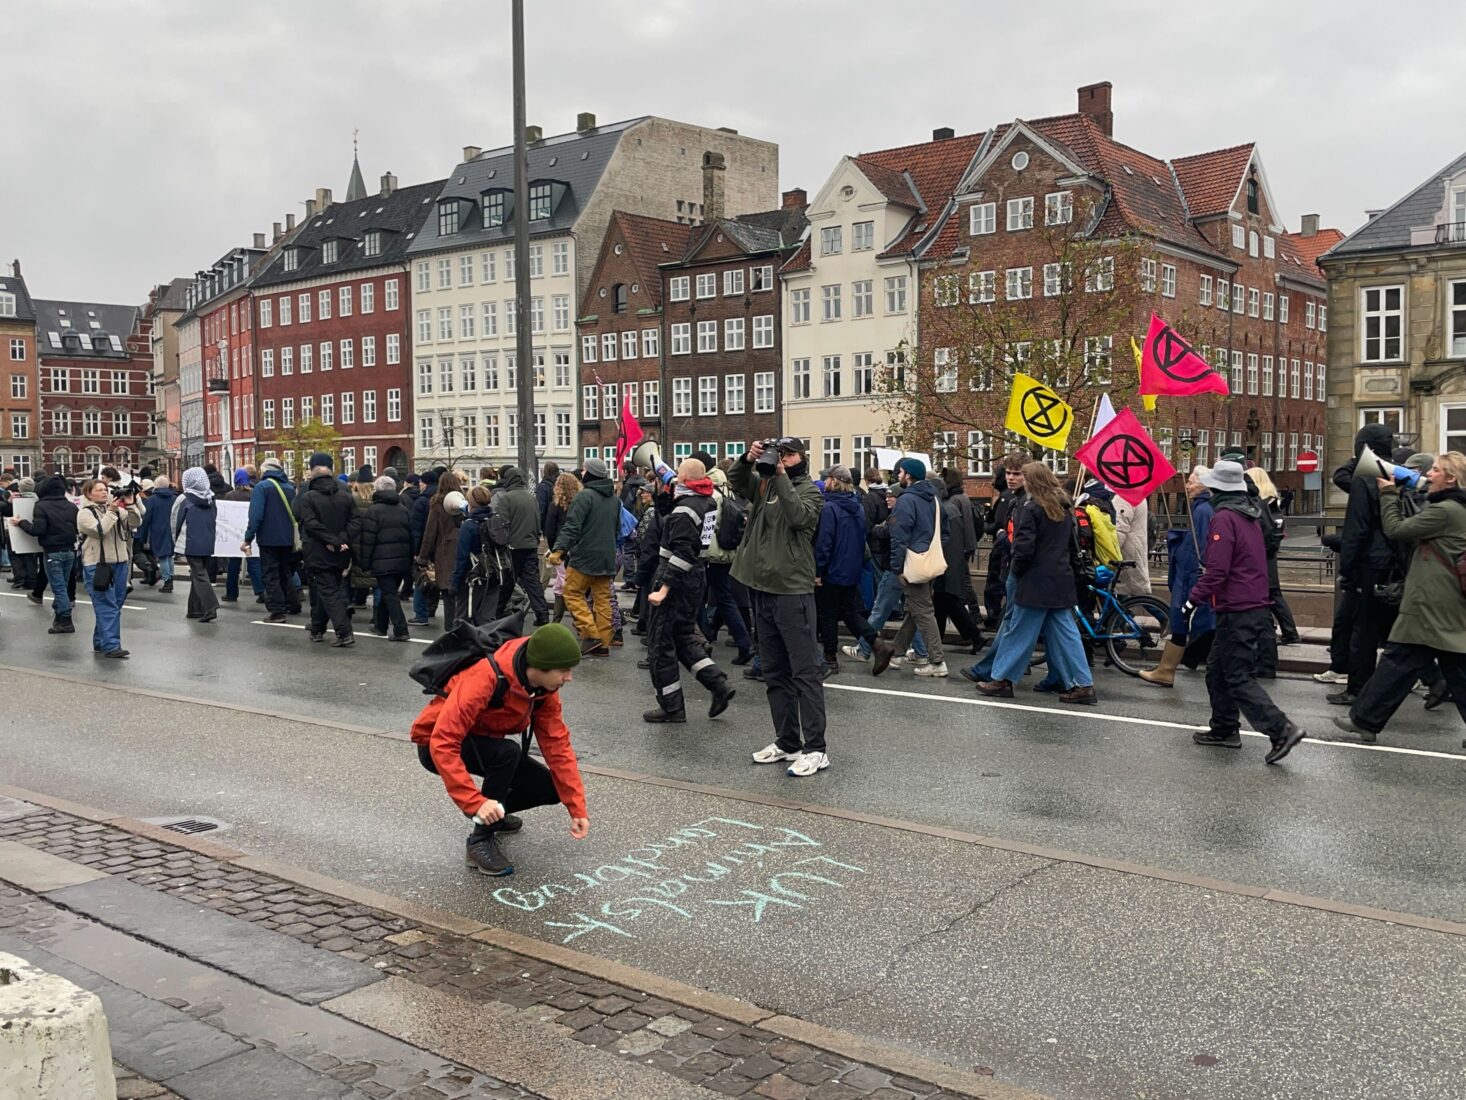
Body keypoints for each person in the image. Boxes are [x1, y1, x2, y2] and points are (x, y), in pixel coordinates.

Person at [411, 621, 589, 876]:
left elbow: (557, 745)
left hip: (483, 742)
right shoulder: (485, 677)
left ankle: (495, 813)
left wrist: (576, 808)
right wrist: (473, 803)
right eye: (563, 670)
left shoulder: (544, 689)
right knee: (507, 753)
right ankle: (480, 841)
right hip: (434, 745)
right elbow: (444, 740)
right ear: (537, 666)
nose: (569, 677)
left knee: (549, 789)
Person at [1333, 453, 1466, 742]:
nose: (1429, 474)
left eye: (1436, 470)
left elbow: (1396, 529)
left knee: (1398, 660)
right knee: (1451, 665)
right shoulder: (1451, 507)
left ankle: (1365, 720)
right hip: (1440, 600)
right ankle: (1365, 720)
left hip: (1431, 600)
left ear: (1451, 478)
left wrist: (1389, 493)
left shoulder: (1446, 510)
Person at [1186, 460, 1305, 762]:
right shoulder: (1250, 513)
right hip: (1250, 602)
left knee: (1237, 675)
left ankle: (1281, 729)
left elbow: (1217, 570)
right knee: (1217, 671)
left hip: (1236, 607)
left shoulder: (1224, 517)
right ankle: (1224, 728)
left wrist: (1193, 600)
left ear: (1217, 488)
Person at [729, 437, 829, 776]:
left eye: (788, 453)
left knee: (805, 672)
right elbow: (736, 481)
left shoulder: (811, 490)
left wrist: (782, 475)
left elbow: (800, 518)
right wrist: (748, 458)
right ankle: (788, 741)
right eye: (779, 452)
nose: (781, 458)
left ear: (801, 457)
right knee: (774, 671)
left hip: (792, 590)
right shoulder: (764, 482)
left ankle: (816, 748)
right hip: (762, 588)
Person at [973, 463, 1096, 704]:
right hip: (1060, 578)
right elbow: (1072, 546)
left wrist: (1016, 572)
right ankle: (1083, 684)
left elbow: (1024, 548)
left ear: (1032, 482)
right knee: (1067, 633)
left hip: (1035, 581)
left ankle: (1002, 679)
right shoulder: (1064, 506)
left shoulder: (1031, 508)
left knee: (1018, 631)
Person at [640, 459, 736, 722]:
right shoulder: (705, 501)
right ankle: (718, 685)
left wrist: (664, 588)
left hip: (676, 577)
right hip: (696, 579)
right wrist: (666, 494)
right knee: (683, 638)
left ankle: (672, 707)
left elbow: (682, 552)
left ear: (683, 479)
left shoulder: (685, 509)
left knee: (661, 646)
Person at [1332, 423, 1404, 706]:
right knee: (1394, 627)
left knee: (1363, 630)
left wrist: (1347, 569)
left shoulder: (1366, 476)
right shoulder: (1400, 474)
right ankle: (1435, 678)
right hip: (1395, 560)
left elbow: (1357, 529)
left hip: (1369, 563)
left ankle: (1358, 688)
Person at [813, 466, 894, 676]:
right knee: (850, 612)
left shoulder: (830, 508)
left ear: (834, 481)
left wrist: (818, 570)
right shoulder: (857, 506)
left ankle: (830, 659)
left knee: (828, 614)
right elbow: (862, 537)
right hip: (851, 568)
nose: (826, 482)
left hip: (832, 569)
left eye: (828, 478)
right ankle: (877, 644)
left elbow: (825, 543)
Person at [1140, 467, 1216, 687]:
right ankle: (1168, 669)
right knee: (1188, 622)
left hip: (1191, 574)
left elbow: (1201, 547)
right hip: (1191, 573)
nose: (1187, 485)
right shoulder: (1204, 508)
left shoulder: (1202, 511)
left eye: (1191, 482)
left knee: (1183, 619)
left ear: (1202, 485)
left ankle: (1166, 670)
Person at [548, 458, 620, 657]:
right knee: (602, 600)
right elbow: (616, 529)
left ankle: (591, 634)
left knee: (571, 592)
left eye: (585, 470)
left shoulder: (584, 496)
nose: (583, 472)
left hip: (585, 557)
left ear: (590, 474)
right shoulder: (614, 499)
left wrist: (558, 550)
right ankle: (604, 643)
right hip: (607, 557)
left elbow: (572, 526)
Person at [885, 458, 947, 677]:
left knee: (923, 611)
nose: (897, 476)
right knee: (916, 609)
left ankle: (937, 661)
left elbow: (898, 537)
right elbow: (945, 531)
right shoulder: (934, 499)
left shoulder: (906, 501)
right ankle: (896, 653)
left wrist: (897, 567)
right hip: (931, 562)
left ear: (908, 475)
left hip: (912, 563)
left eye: (900, 472)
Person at [76, 478, 144, 658]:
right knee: (106, 605)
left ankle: (100, 641)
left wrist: (130, 505)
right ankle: (112, 646)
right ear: (89, 493)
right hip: (97, 564)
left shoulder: (114, 509)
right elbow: (100, 530)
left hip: (120, 562)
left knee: (116, 602)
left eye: (105, 489)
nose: (104, 492)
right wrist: (112, 512)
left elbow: (134, 524)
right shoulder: (84, 514)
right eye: (99, 490)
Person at [295, 453, 356, 646]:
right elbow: (355, 521)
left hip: (317, 549)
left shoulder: (308, 495)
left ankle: (344, 631)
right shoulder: (345, 494)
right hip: (341, 550)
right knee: (329, 587)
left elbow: (309, 523)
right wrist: (341, 540)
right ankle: (317, 627)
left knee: (327, 591)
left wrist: (332, 541)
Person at [8, 473, 78, 634]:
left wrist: (21, 523)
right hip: (70, 550)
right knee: (64, 585)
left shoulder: (41, 506)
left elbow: (37, 530)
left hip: (52, 551)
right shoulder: (71, 506)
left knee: (59, 588)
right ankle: (59, 616)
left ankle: (65, 619)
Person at [351, 474, 413, 640]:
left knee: (390, 595)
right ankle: (380, 625)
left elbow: (368, 539)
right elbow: (411, 536)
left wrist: (364, 563)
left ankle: (401, 629)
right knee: (388, 593)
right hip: (402, 559)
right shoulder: (403, 509)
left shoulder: (374, 511)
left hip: (381, 560)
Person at [1245, 467, 1300, 646]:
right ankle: (1288, 631)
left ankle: (1288, 631)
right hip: (1271, 553)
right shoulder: (1273, 501)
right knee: (1274, 593)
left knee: (1271, 594)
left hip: (1262, 554)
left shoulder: (1260, 504)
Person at [241, 457, 300, 622]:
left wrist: (248, 538)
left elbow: (256, 516)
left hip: (269, 537)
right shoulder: (289, 487)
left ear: (264, 471)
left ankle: (277, 611)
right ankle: (293, 604)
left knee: (270, 574)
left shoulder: (262, 487)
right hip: (288, 538)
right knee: (285, 572)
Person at [492, 466, 548, 625]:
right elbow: (538, 522)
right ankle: (542, 615)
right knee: (533, 584)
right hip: (530, 546)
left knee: (507, 583)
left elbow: (502, 524)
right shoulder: (531, 498)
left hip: (512, 547)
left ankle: (497, 613)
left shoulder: (506, 498)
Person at [454, 484, 511, 626]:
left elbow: (462, 557)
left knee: (464, 616)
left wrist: (455, 582)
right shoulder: (496, 520)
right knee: (487, 617)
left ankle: (463, 645)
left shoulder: (469, 525)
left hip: (474, 576)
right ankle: (488, 644)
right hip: (495, 573)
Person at [174, 467, 220, 624]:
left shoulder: (184, 499)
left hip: (191, 542)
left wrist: (173, 541)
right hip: (208, 540)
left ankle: (210, 606)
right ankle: (194, 609)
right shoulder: (211, 498)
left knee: (199, 574)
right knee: (198, 573)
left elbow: (175, 522)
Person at [222, 469, 264, 604]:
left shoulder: (229, 495)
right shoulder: (253, 494)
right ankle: (261, 590)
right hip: (251, 532)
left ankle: (231, 593)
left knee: (233, 565)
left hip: (234, 534)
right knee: (253, 562)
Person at [408, 468, 442, 624]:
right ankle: (431, 609)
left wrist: (416, 552)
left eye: (421, 482)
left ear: (425, 483)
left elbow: (415, 528)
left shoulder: (422, 501)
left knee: (422, 579)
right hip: (442, 547)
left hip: (425, 545)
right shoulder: (445, 498)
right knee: (436, 578)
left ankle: (421, 614)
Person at [139, 474, 178, 593]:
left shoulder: (152, 500)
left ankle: (167, 581)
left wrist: (144, 536)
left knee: (162, 557)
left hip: (157, 531)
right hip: (172, 530)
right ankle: (170, 578)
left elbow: (147, 519)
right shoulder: (174, 498)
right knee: (170, 556)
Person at [347, 471, 377, 609]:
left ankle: (355, 600)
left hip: (355, 539)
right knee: (372, 573)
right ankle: (375, 607)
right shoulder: (377, 499)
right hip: (373, 539)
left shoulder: (352, 499)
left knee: (354, 570)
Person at [1113, 491, 1153, 598]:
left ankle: (1165, 615)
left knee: (1137, 593)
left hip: (1127, 552)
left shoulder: (1123, 498)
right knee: (1132, 593)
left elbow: (1119, 531)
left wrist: (1111, 552)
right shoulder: (1138, 495)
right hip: (1135, 547)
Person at [535, 461, 559, 530]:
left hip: (547, 524)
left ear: (545, 472)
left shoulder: (543, 487)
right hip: (558, 523)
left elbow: (541, 509)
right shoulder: (559, 485)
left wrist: (538, 527)